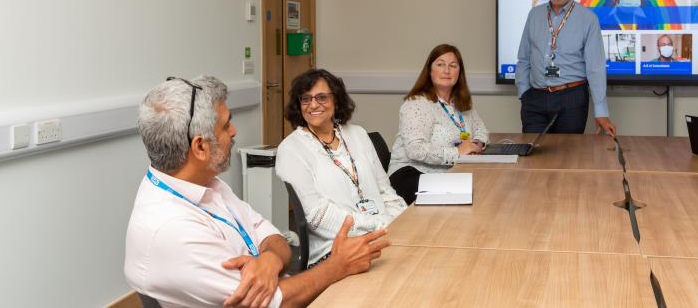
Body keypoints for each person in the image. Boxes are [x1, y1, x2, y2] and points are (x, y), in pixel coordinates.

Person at [125, 76, 390, 308]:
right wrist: (338, 266)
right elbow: (275, 301)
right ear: (200, 147)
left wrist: (269, 260)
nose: (234, 131)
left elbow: (277, 239)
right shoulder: (174, 230)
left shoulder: (207, 185)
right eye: (227, 125)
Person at [276, 69, 407, 268]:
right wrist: (380, 225)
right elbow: (317, 216)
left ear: (336, 100)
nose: (313, 105)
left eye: (321, 97)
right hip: (336, 251)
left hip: (384, 235)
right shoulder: (291, 149)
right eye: (305, 99)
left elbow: (385, 190)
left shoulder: (358, 134)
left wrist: (402, 221)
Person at [516, 0, 617, 137]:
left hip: (572, 98)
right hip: (535, 98)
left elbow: (595, 68)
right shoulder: (534, 15)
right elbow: (524, 58)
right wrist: (524, 93)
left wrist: (601, 112)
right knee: (533, 155)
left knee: (568, 155)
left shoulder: (588, 18)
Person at [387, 44, 489, 205]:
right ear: (429, 70)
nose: (447, 70)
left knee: (485, 187)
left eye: (453, 65)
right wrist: (457, 152)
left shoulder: (461, 102)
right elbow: (416, 150)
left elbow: (481, 130)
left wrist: (476, 144)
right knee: (470, 195)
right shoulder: (417, 103)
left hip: (448, 172)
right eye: (440, 64)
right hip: (410, 174)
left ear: (459, 72)